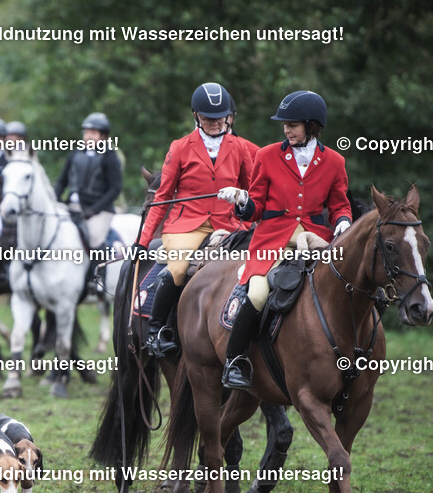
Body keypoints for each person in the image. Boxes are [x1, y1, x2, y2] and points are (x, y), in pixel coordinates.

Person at [218, 90, 351, 388]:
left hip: (315, 241)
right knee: (257, 295)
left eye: (293, 124)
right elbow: (255, 210)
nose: (286, 129)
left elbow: (340, 204)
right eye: (285, 124)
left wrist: (343, 223)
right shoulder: (266, 156)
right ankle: (235, 361)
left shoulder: (334, 162)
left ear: (312, 126)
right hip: (271, 243)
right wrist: (242, 200)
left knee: (348, 286)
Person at [138, 83, 254, 357]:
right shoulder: (179, 148)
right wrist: (142, 242)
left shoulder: (239, 148)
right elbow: (162, 197)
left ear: (228, 117)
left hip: (228, 224)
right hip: (186, 224)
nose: (214, 124)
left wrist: (243, 203)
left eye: (219, 118)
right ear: (196, 116)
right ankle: (156, 332)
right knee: (177, 269)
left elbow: (253, 191)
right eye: (207, 119)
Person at [54, 112, 123, 250]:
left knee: (94, 242)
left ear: (103, 136)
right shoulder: (75, 154)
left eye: (93, 133)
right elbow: (62, 181)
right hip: (72, 206)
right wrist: (53, 199)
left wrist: (94, 209)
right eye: (86, 133)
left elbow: (115, 189)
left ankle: (97, 271)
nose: (88, 136)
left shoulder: (110, 157)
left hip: (99, 211)